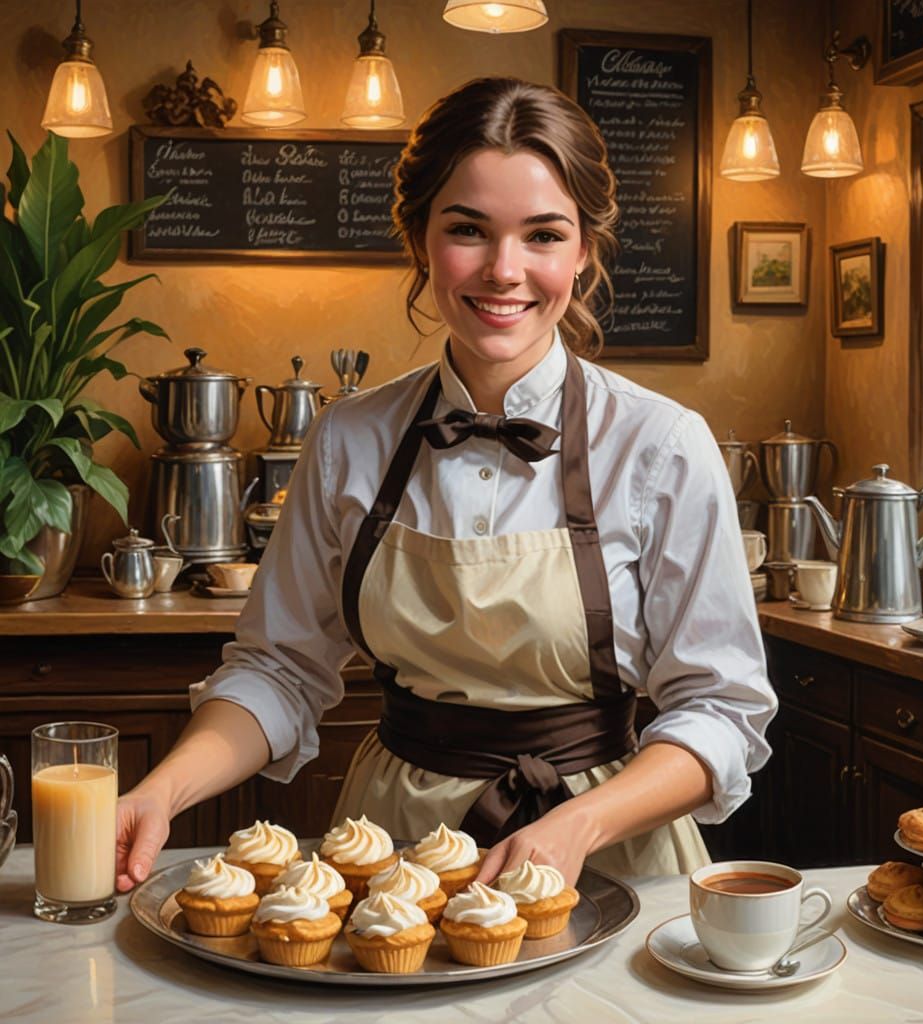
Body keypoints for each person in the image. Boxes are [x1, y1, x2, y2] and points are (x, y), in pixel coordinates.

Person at [116, 77, 776, 893]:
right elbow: (280, 670)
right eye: (468, 229)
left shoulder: (661, 444)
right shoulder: (349, 438)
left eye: (543, 235)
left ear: (584, 251)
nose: (504, 270)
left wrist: (580, 824)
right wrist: (161, 790)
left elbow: (721, 709)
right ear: (419, 238)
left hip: (613, 850)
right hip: (390, 853)